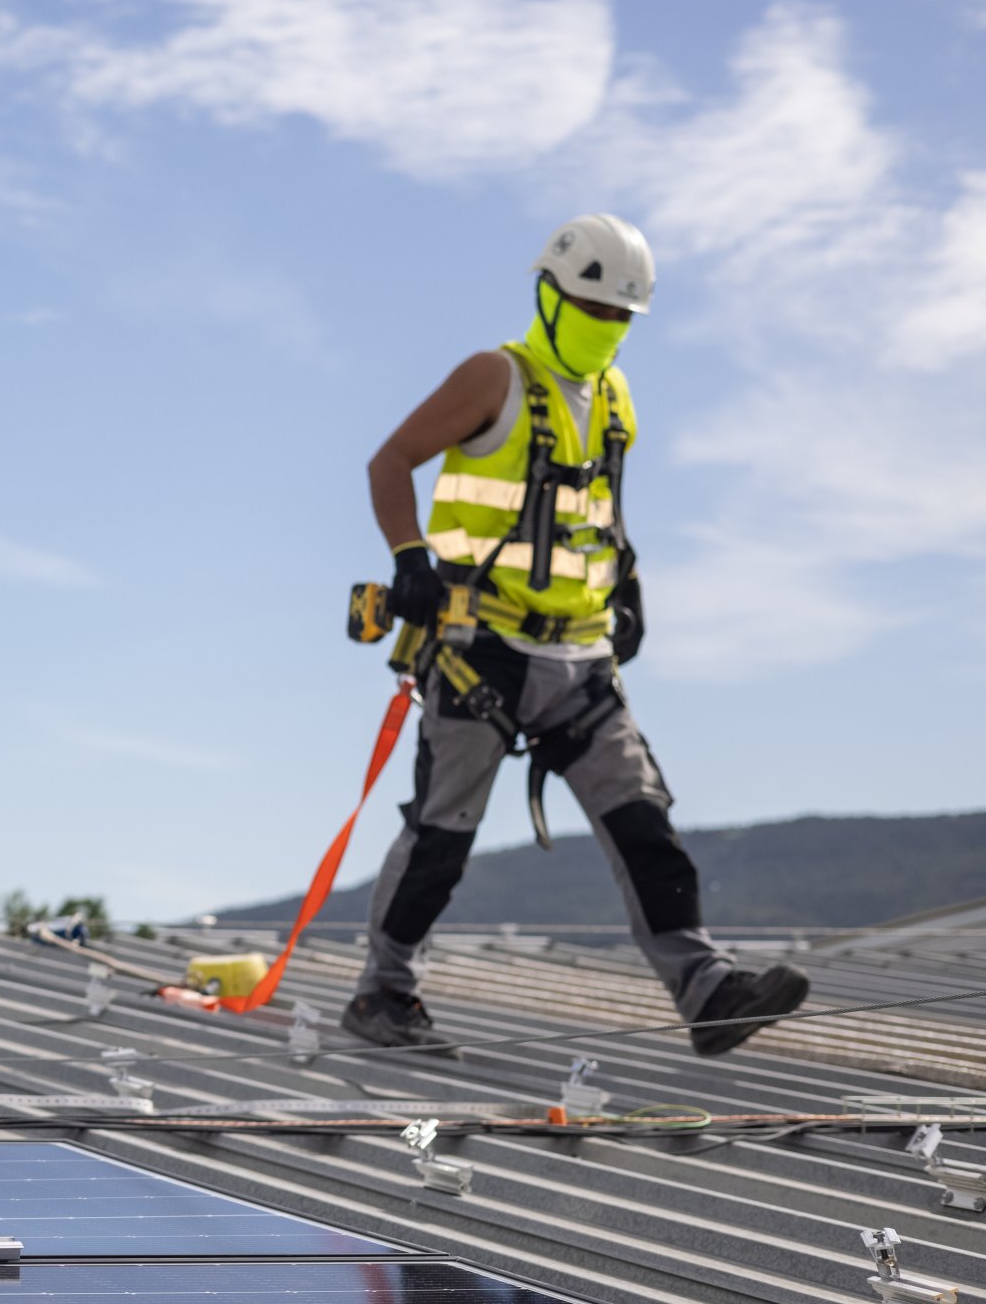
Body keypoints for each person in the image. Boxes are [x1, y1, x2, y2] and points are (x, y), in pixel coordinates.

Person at [342, 214, 809, 1056]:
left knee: (643, 821)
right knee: (443, 834)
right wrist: (409, 558)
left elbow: (594, 510)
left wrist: (625, 585)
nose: (609, 328)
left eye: (623, 318)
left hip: (580, 653)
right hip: (477, 647)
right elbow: (389, 461)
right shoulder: (494, 376)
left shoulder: (617, 396)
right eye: (596, 310)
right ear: (550, 297)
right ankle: (383, 993)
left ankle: (708, 994)